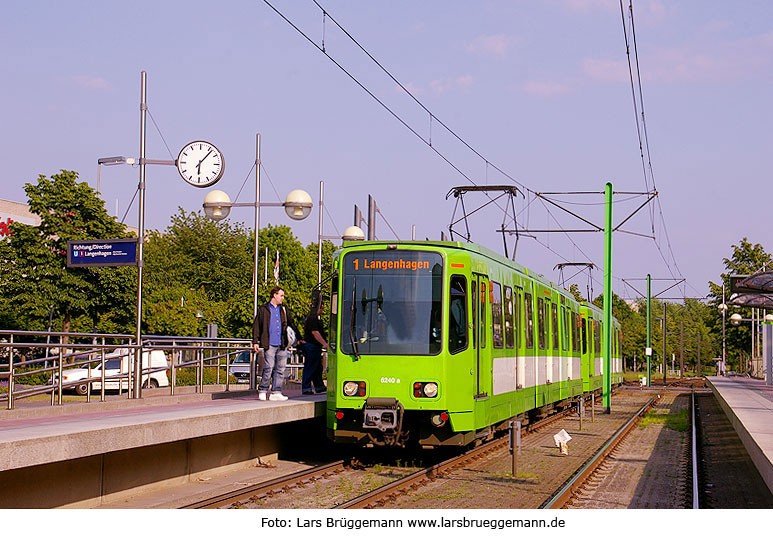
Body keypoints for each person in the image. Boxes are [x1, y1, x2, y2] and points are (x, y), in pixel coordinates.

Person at [253, 286, 299, 401]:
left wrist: (298, 338)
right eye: (281, 295)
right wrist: (255, 341)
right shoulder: (264, 309)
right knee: (268, 367)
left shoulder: (283, 309)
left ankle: (276, 391)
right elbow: (257, 326)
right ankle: (263, 389)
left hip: (282, 343)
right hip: (269, 343)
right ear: (275, 295)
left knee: (280, 368)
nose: (283, 298)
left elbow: (291, 324)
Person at [302, 289, 327, 395]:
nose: (322, 310)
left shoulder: (314, 318)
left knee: (317, 368)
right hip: (312, 346)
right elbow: (315, 333)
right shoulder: (312, 318)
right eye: (322, 307)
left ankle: (319, 386)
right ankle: (306, 387)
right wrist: (324, 344)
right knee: (310, 366)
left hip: (315, 347)